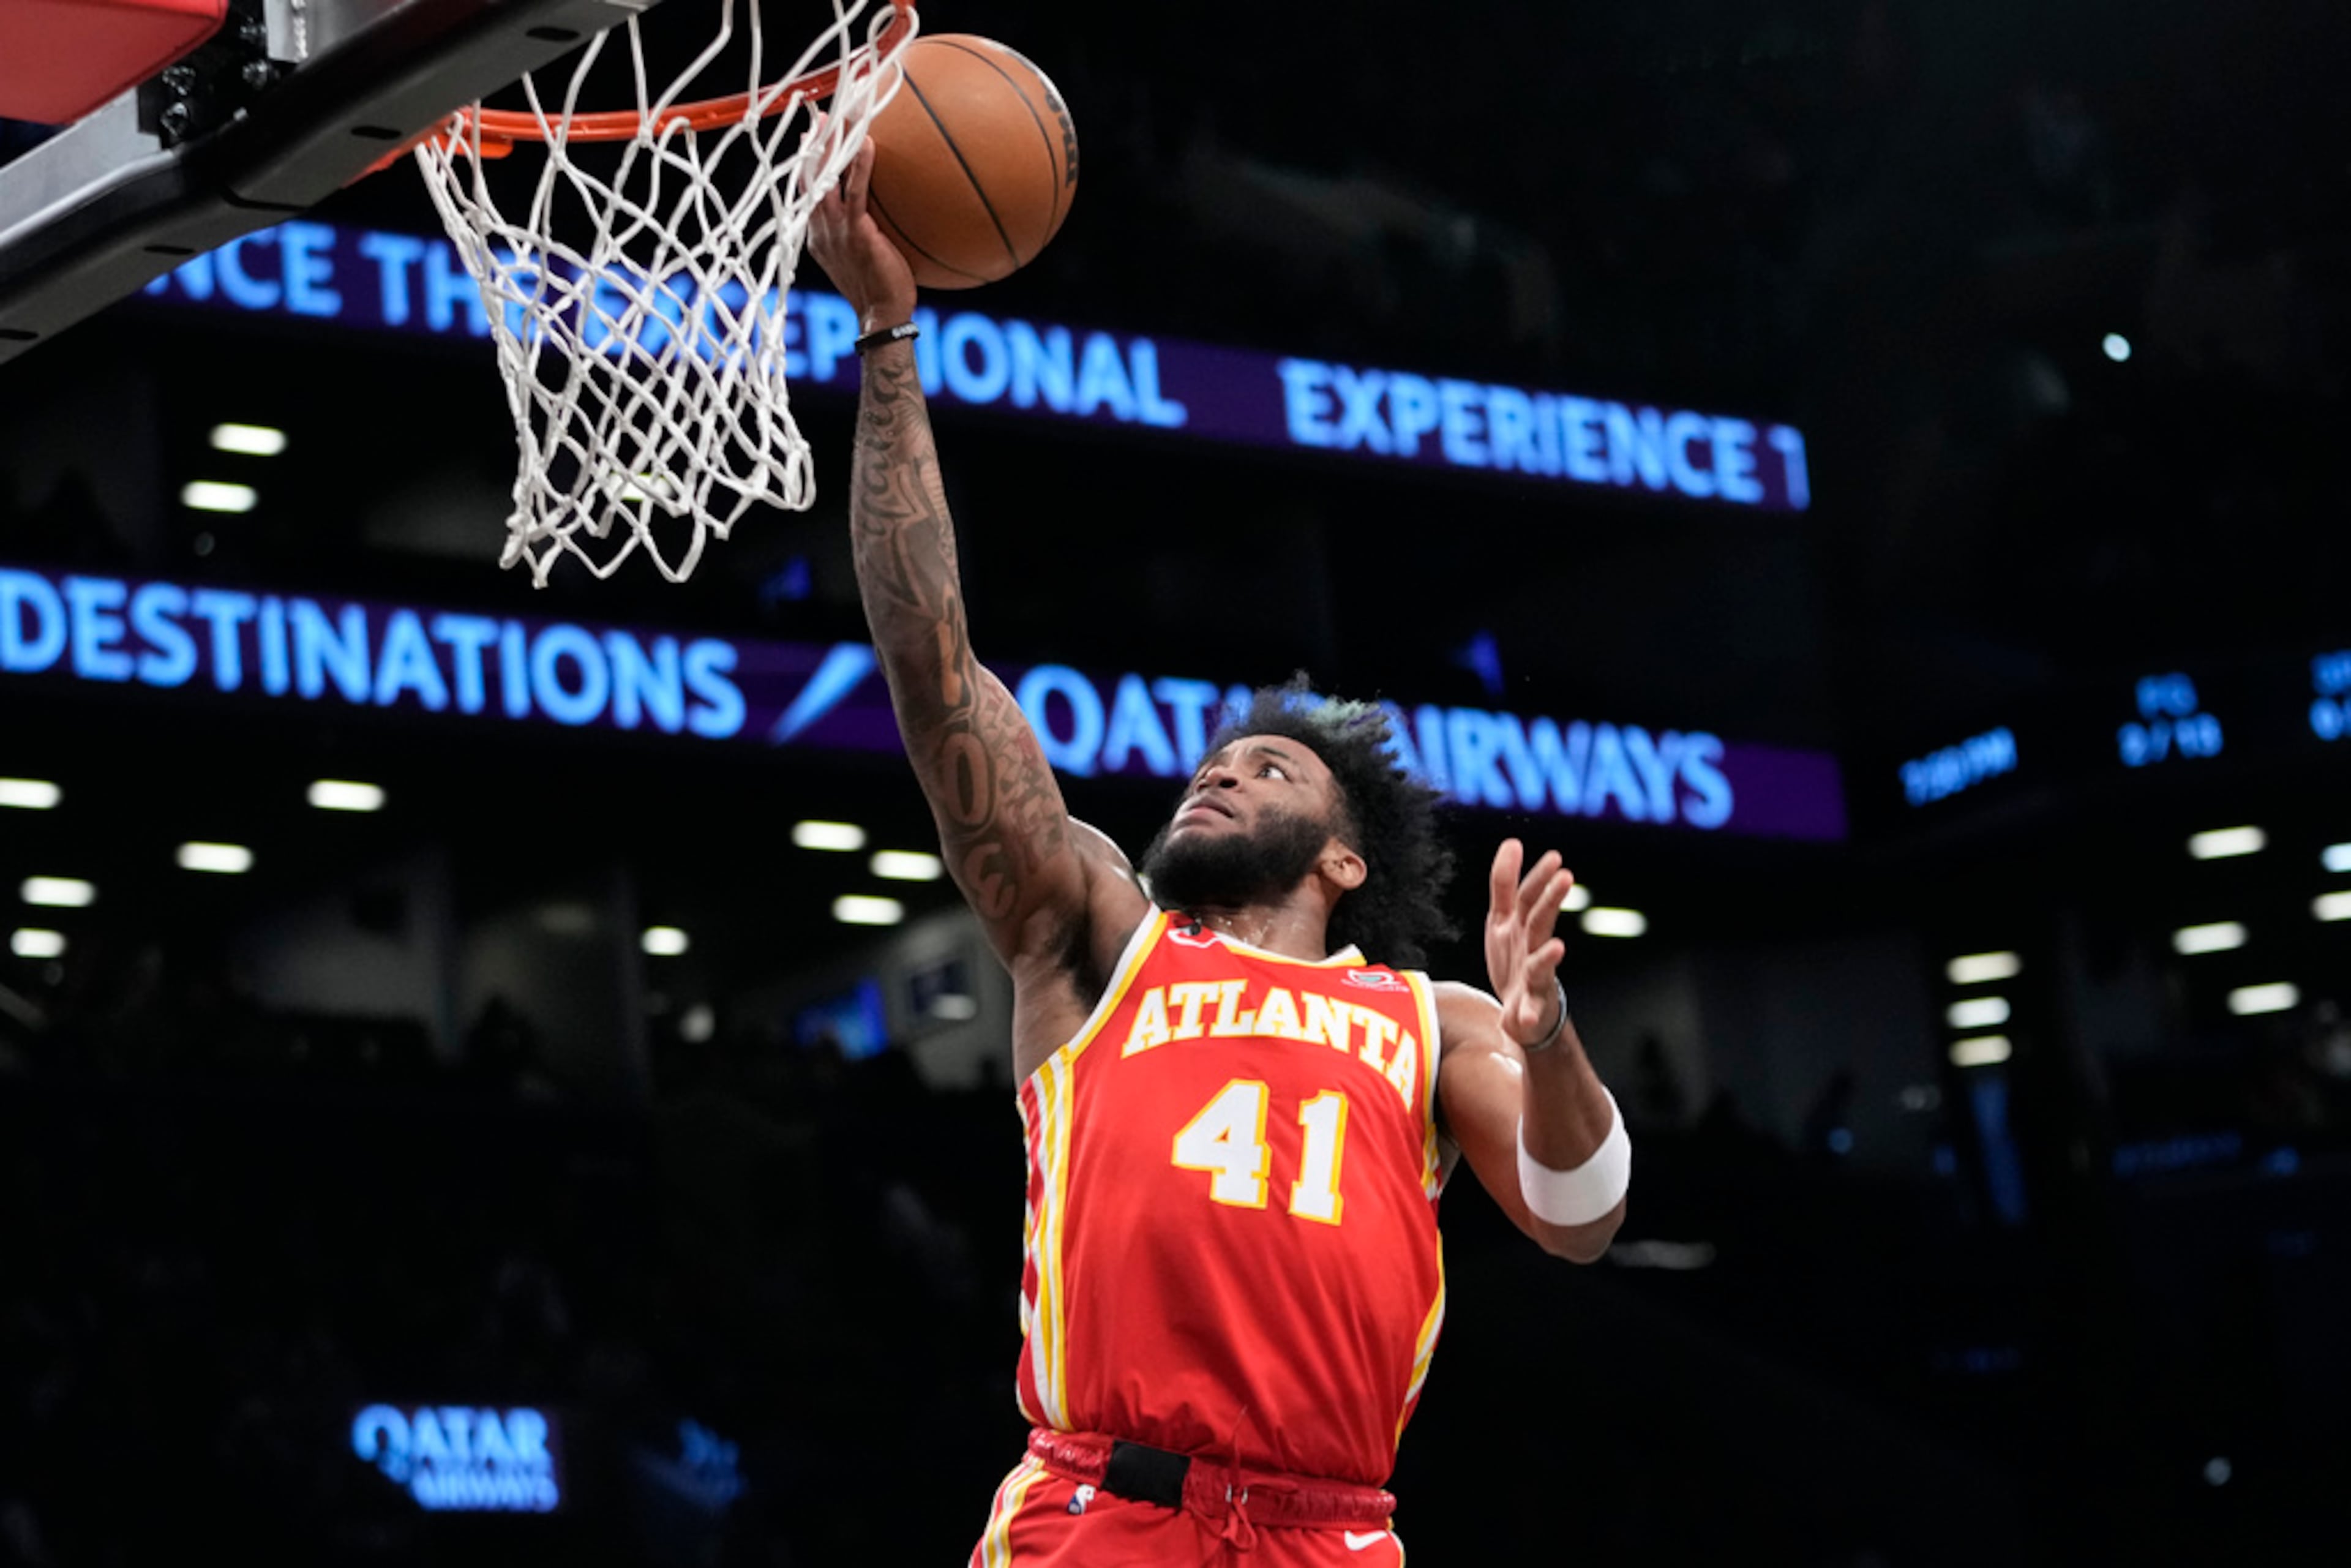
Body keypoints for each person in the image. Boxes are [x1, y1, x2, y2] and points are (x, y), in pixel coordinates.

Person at [809, 141, 1630, 1567]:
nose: (1217, 776)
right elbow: (932, 671)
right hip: (1102, 1509)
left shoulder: (1428, 1023)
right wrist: (888, 343)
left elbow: (1581, 1216)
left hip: (1331, 1532)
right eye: (1211, 764)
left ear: (1347, 861)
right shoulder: (1100, 942)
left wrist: (1548, 1039)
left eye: (1267, 769)